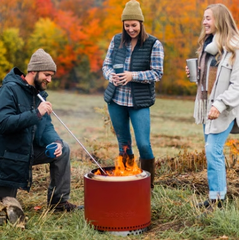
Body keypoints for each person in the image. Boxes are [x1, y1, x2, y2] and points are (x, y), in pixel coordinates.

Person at [0, 49, 82, 212]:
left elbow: (46, 127)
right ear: (33, 71)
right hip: (9, 156)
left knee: (63, 149)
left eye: (51, 75)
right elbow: (4, 123)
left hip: (29, 151)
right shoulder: (9, 90)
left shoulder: (39, 95)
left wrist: (55, 141)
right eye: (47, 74)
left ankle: (58, 203)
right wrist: (36, 113)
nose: (50, 79)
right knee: (8, 205)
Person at [102, 0, 164, 189]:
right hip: (116, 100)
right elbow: (106, 65)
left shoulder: (154, 44)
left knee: (144, 144)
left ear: (141, 24)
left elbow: (157, 73)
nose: (130, 29)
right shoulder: (116, 40)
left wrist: (132, 76)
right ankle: (127, 180)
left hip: (139, 102)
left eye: (134, 25)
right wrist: (110, 76)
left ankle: (148, 186)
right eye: (127, 25)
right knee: (124, 144)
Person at [185, 4, 239, 209]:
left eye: (208, 18)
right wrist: (195, 75)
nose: (204, 22)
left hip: (225, 107)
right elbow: (211, 79)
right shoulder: (209, 47)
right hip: (208, 105)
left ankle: (218, 200)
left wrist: (220, 104)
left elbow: (237, 85)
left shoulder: (235, 47)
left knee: (212, 150)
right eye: (204, 18)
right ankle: (215, 196)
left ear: (220, 20)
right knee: (211, 151)